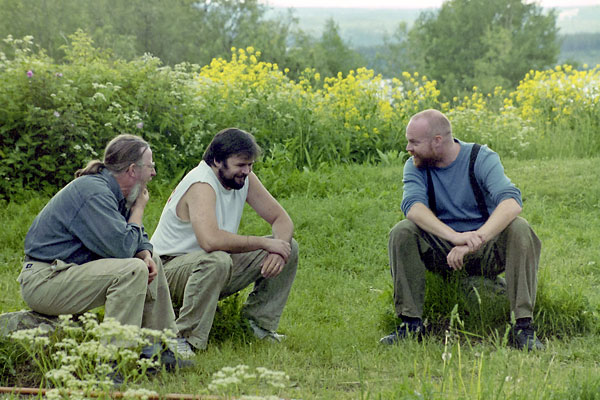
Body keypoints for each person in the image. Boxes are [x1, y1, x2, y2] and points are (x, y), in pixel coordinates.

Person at [20, 134, 193, 369]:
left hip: (66, 273)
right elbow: (121, 248)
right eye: (151, 166)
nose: (153, 173)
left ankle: (157, 350)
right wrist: (139, 210)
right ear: (133, 170)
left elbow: (132, 239)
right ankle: (112, 363)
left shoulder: (113, 192)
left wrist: (144, 252)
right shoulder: (93, 192)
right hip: (45, 279)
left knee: (151, 261)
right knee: (131, 270)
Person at [380, 109, 542, 351]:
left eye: (414, 142)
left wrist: (478, 237)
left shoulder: (481, 157)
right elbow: (412, 207)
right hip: (443, 250)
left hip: (486, 247)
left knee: (520, 228)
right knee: (402, 231)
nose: (408, 148)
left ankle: (522, 326)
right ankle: (410, 325)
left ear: (437, 141)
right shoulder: (415, 166)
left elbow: (511, 202)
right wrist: (455, 237)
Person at [151, 128, 298, 352]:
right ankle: (184, 339)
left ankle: (257, 326)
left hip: (210, 266)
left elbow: (281, 220)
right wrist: (264, 242)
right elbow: (209, 241)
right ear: (218, 160)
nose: (246, 171)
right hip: (167, 271)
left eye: (250, 165)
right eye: (240, 165)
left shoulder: (244, 178)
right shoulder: (201, 183)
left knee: (289, 247)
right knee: (217, 260)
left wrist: (278, 251)